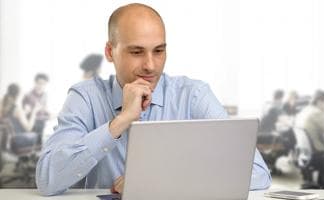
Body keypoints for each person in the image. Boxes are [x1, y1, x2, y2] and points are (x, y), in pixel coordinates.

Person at [36, 3, 271, 196]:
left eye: (158, 51)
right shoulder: (85, 97)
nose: (150, 65)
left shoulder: (193, 95)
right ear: (110, 52)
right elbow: (47, 179)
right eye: (137, 52)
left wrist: (160, 182)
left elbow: (258, 173)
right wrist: (121, 121)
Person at [1, 84, 39, 149]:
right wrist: (34, 112)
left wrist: (24, 112)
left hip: (11, 140)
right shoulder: (18, 109)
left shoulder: (5, 106)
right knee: (40, 137)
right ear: (18, 95)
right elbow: (28, 128)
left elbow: (13, 117)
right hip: (18, 139)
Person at [22, 73, 50, 145]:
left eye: (43, 84)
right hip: (32, 124)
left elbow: (45, 110)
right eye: (39, 83)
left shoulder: (45, 95)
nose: (41, 86)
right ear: (35, 83)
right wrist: (32, 110)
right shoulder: (28, 95)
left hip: (42, 122)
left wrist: (47, 111)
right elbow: (24, 114)